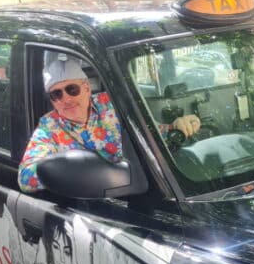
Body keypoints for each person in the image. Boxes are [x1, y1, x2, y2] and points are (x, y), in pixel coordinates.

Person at [19, 58, 202, 192]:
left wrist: (174, 127)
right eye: (56, 94)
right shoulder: (48, 127)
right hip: (88, 205)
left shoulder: (111, 104)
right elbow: (25, 177)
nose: (66, 99)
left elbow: (146, 135)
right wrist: (67, 171)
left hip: (139, 188)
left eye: (72, 89)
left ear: (87, 88)